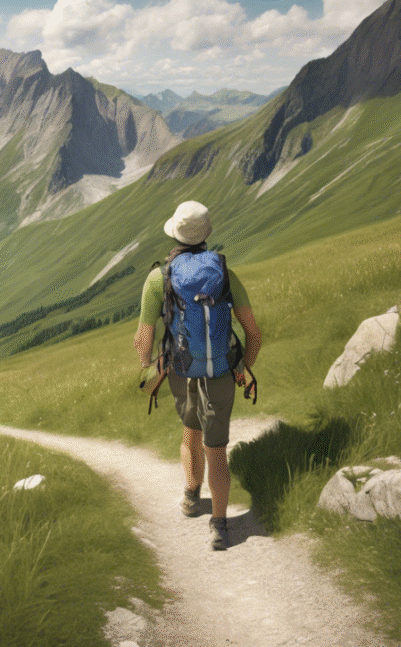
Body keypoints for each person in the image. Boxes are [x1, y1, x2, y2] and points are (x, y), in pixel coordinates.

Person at [133, 201, 261, 551]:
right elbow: (253, 333)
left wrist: (147, 364)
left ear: (175, 233)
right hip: (220, 371)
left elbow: (143, 338)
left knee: (190, 429)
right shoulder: (224, 273)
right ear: (206, 234)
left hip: (179, 369)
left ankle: (192, 495)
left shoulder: (159, 278)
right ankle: (220, 526)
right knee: (216, 449)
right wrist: (243, 368)